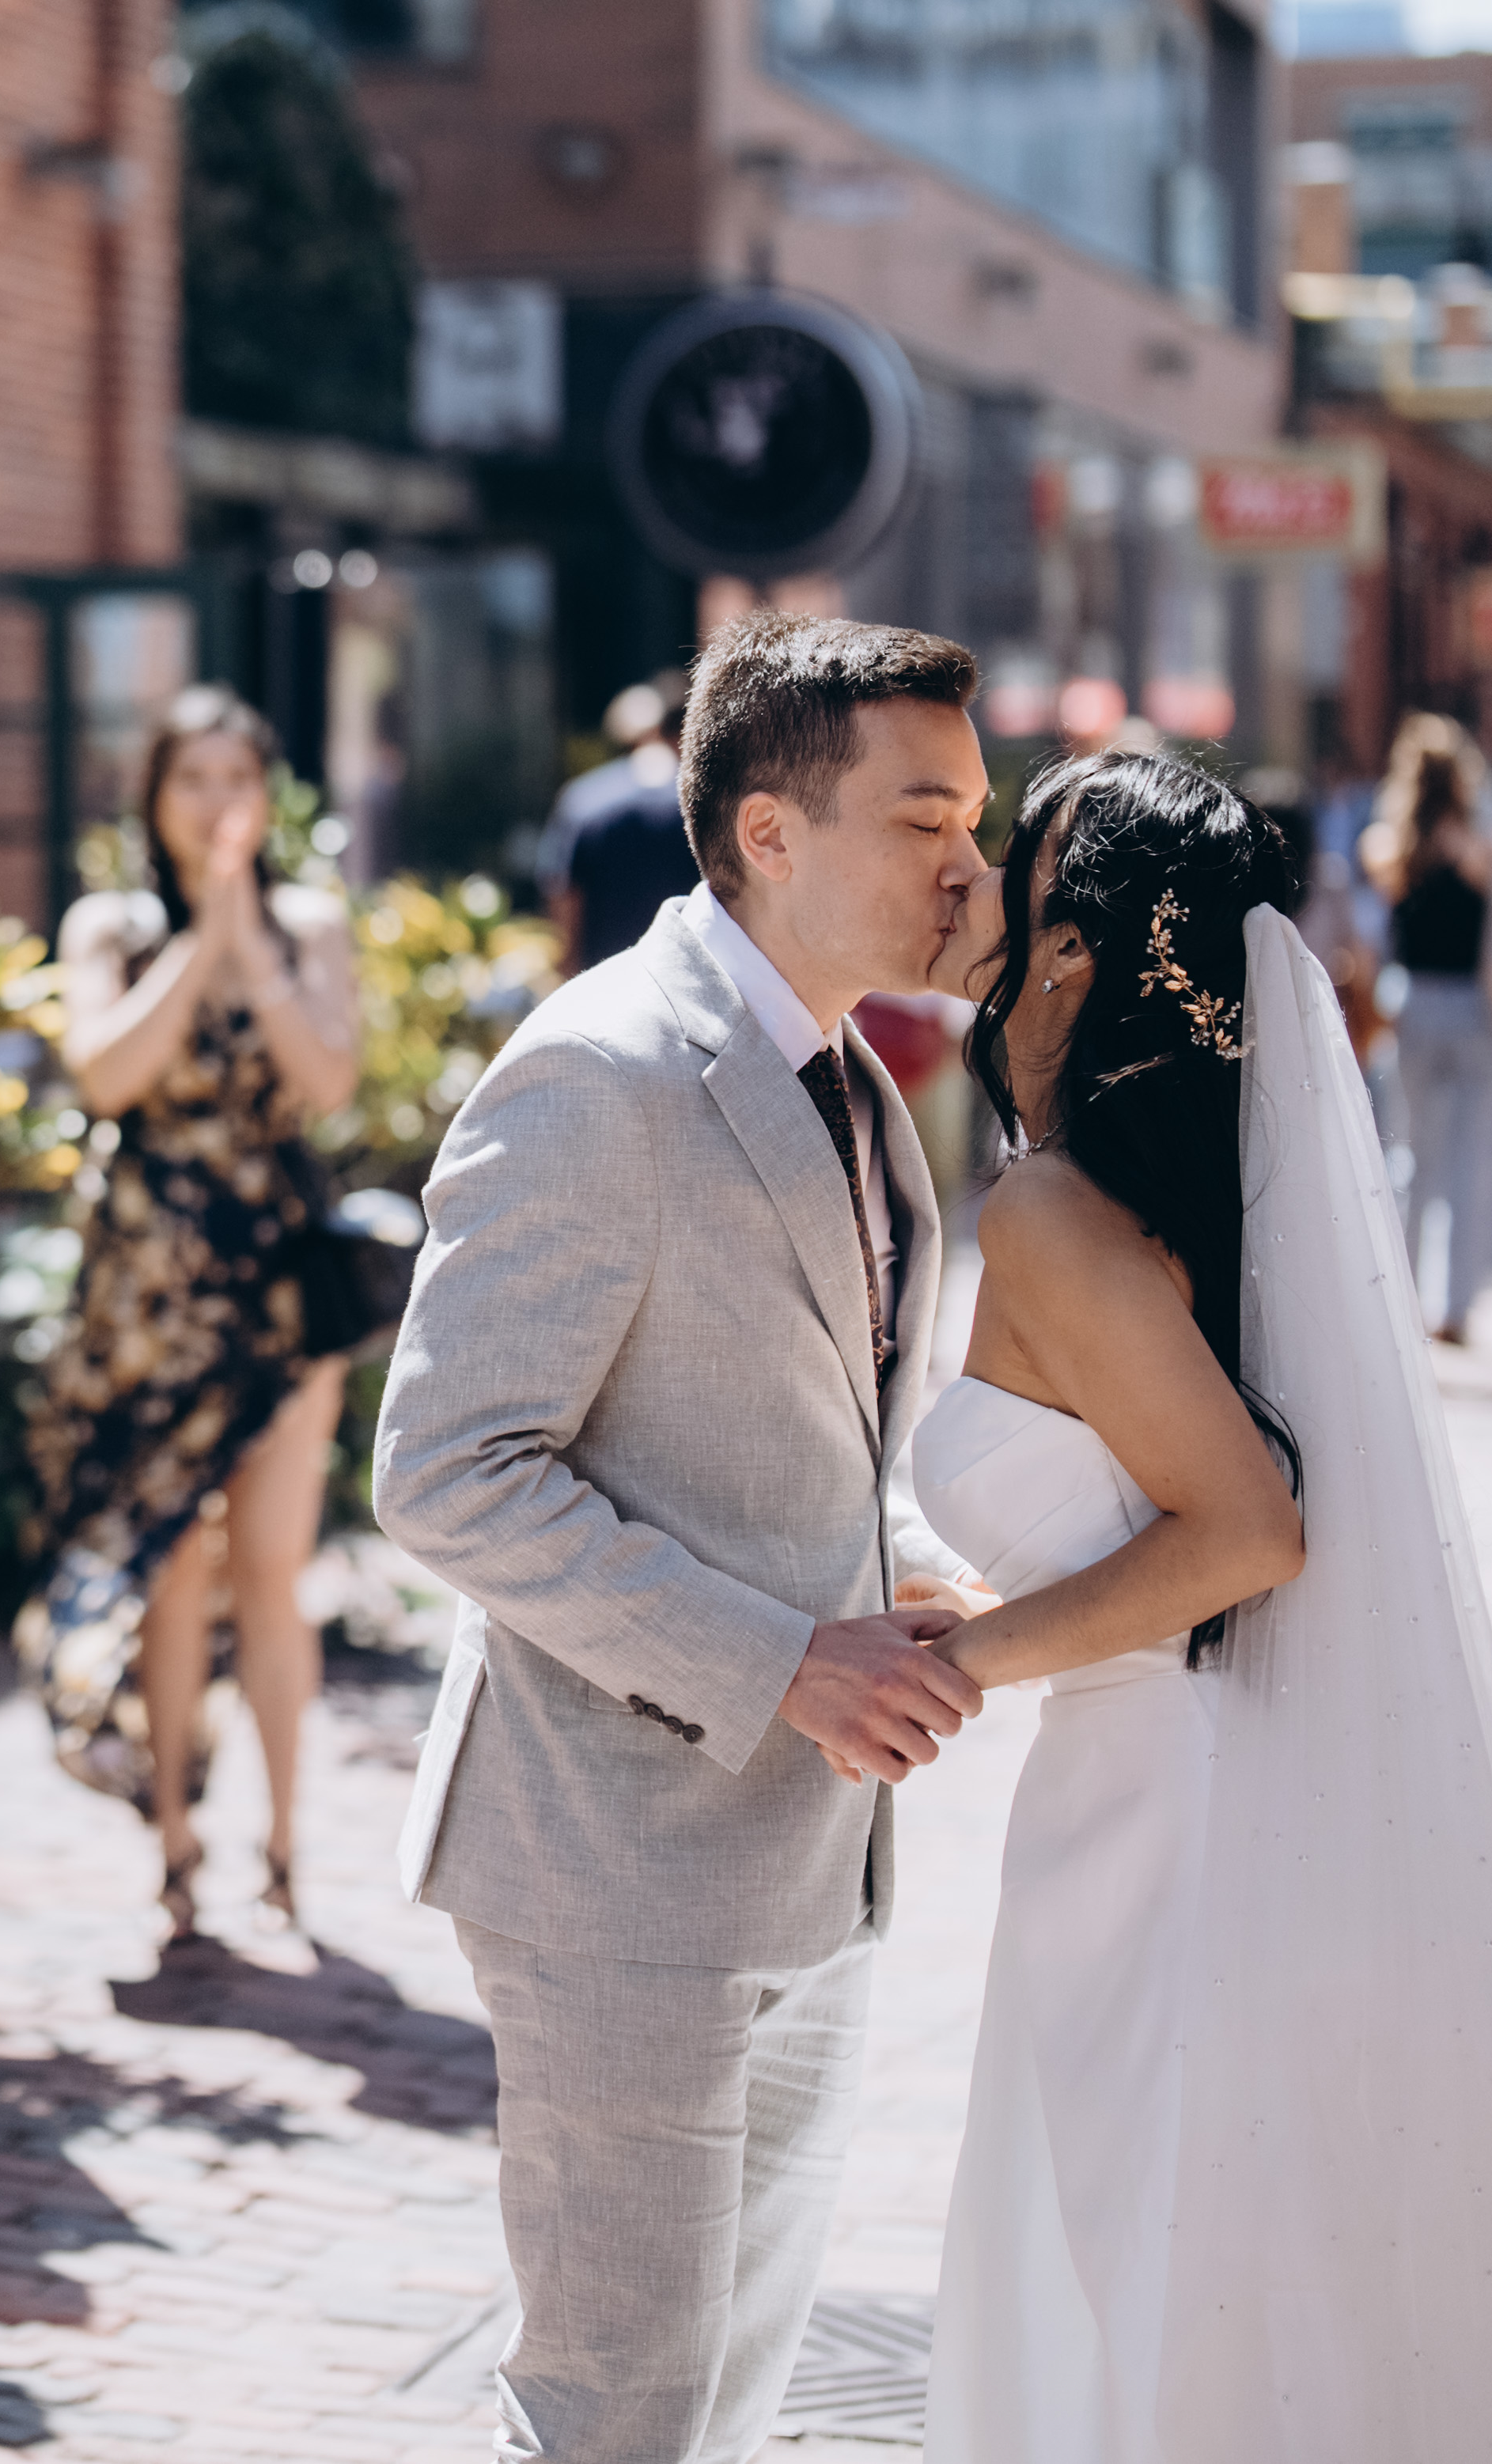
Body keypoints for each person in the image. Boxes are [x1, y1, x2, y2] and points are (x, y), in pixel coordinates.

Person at [912, 749, 1492, 2462]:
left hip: (1164, 1806)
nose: (969, 882)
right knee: (1199, 2273)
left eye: (1009, 861)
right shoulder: (1169, 1198)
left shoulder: (1052, 1213)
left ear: (1071, 951)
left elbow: (1245, 1527)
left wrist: (965, 1657)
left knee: (1154, 2275)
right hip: (1173, 1777)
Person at [373, 611, 994, 2464]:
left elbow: (809, 1415)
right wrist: (784, 1658)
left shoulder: (851, 1070)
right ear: (767, 833)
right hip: (614, 1868)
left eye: (971, 815)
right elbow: (445, 1469)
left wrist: (894, 1555)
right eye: (923, 818)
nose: (966, 862)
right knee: (612, 2418)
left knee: (722, 2408)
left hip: (807, 1860)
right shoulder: (599, 1073)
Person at [21, 687, 365, 1940]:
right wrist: (199, 939)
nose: (217, 801)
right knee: (167, 1567)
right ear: (154, 796)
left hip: (278, 1289)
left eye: (238, 776)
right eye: (192, 778)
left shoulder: (309, 920)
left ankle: (282, 1849)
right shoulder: (108, 924)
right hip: (149, 1297)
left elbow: (328, 1079)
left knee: (270, 1571)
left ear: (268, 796)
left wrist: (248, 942)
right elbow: (107, 1072)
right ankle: (174, 1840)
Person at [1358, 715, 1492, 1346]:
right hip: (1479, 1009)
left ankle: (1403, 1303)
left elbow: (1377, 936)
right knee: (1475, 1159)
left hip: (1412, 1004)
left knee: (1411, 1158)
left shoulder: (1389, 848)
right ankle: (1459, 1306)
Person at [536, 677, 695, 973]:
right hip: (686, 976)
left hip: (604, 979)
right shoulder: (703, 800)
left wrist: (566, 974)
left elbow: (563, 896)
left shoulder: (583, 799)